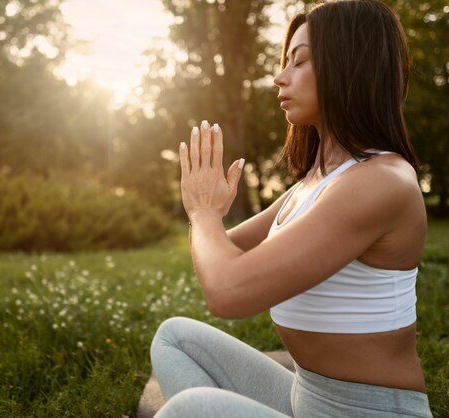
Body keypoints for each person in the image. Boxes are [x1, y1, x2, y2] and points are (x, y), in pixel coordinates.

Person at [149, 0, 433, 416]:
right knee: (175, 338)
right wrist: (209, 217)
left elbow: (228, 291)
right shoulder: (315, 182)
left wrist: (203, 213)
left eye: (299, 63)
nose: (280, 77)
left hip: (367, 411)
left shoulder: (382, 180)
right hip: (306, 396)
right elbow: (225, 255)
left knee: (191, 409)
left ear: (348, 67)